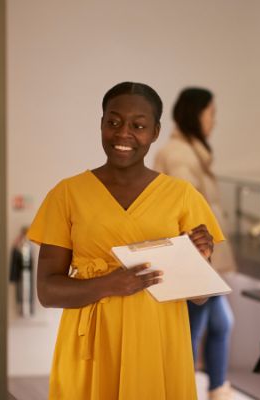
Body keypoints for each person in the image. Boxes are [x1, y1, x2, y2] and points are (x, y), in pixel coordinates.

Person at [28, 81, 225, 399]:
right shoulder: (67, 194)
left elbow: (200, 298)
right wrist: (109, 284)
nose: (123, 134)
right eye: (114, 122)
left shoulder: (183, 196)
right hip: (90, 348)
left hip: (157, 344)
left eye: (138, 125)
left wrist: (199, 261)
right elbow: (47, 290)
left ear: (156, 131)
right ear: (102, 123)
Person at [154, 87, 236, 400]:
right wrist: (198, 261)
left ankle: (216, 388)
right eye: (211, 113)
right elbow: (187, 215)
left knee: (219, 324)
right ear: (196, 114)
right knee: (191, 332)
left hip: (198, 260)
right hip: (192, 262)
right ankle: (185, 390)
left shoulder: (187, 153)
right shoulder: (181, 156)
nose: (214, 121)